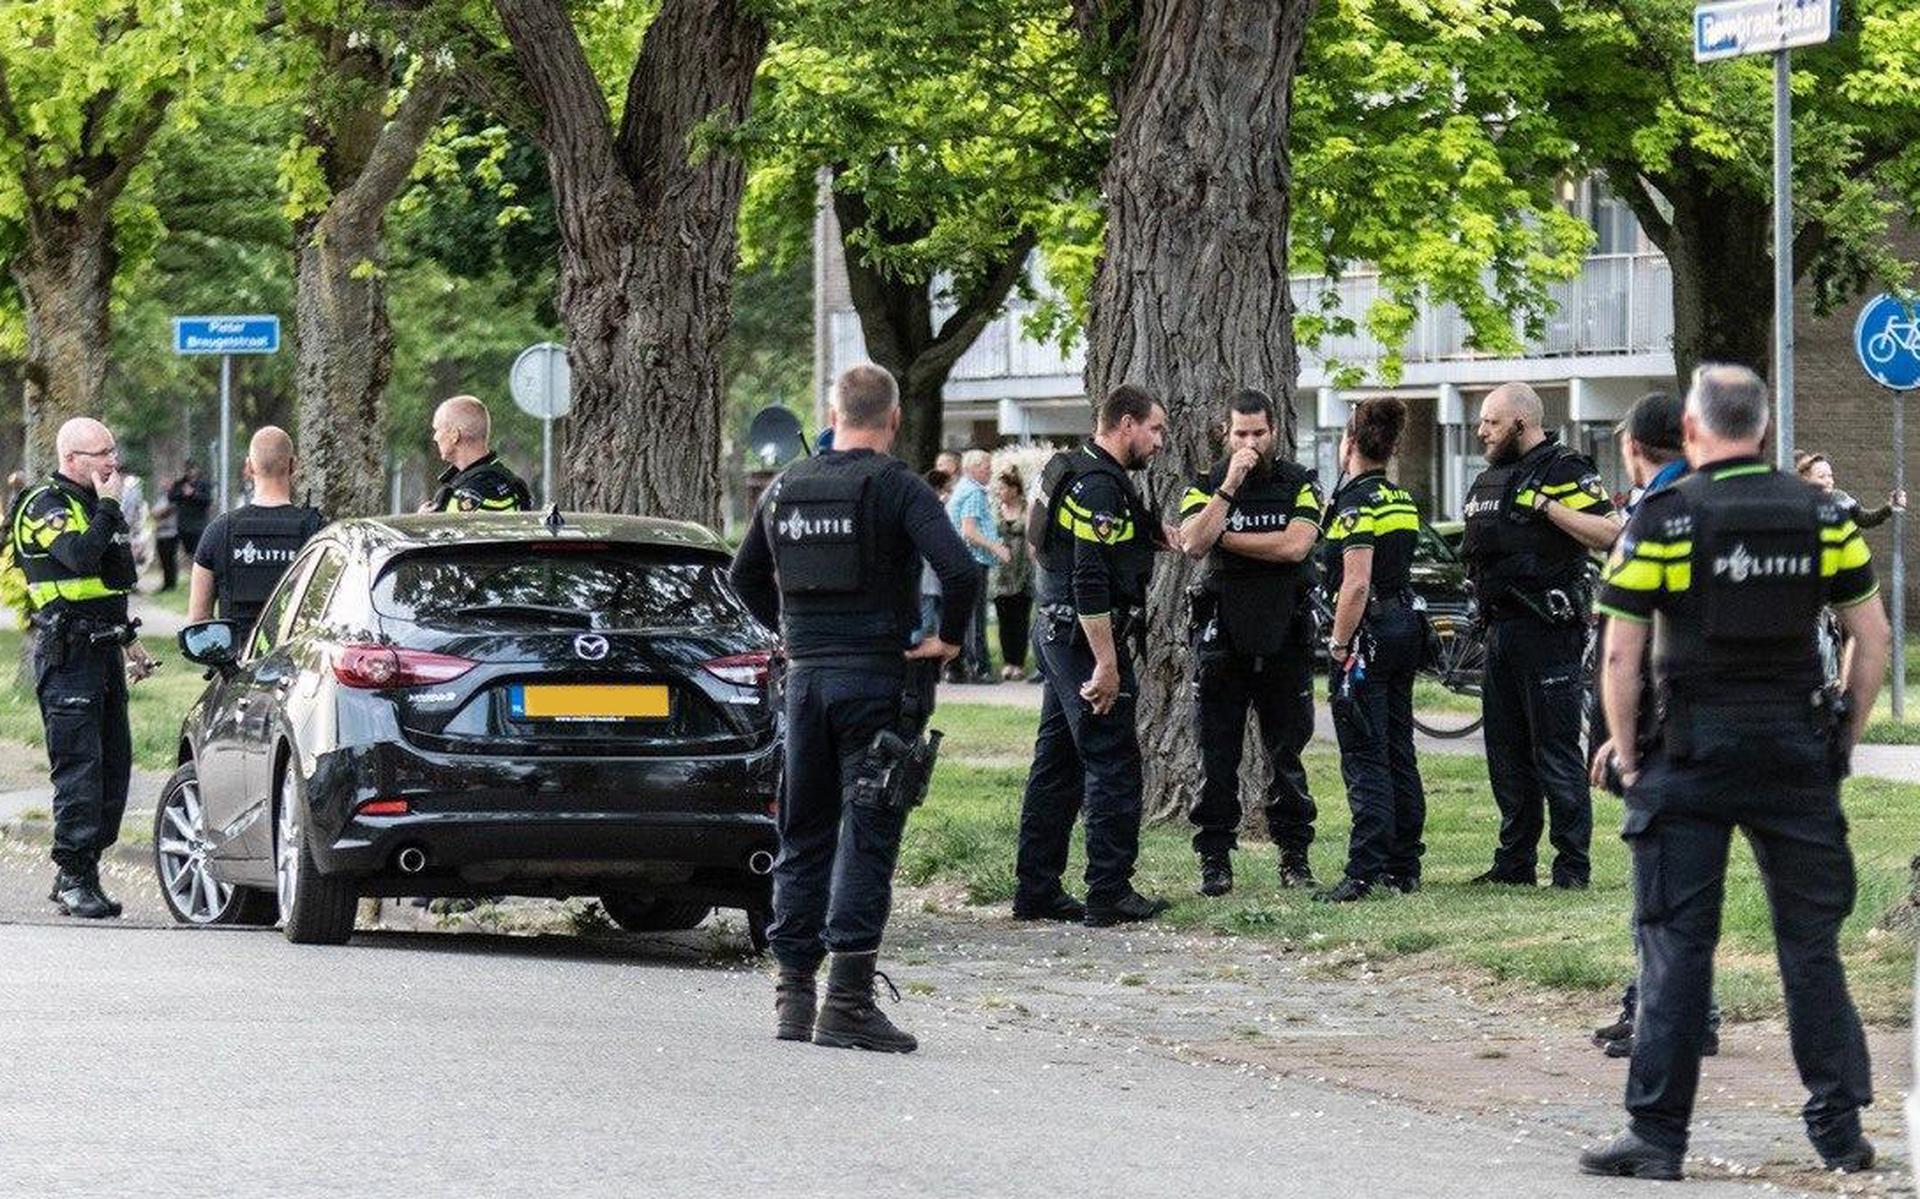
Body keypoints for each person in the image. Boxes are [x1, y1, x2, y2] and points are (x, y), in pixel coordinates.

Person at [1579, 364, 1888, 1181]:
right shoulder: (1823, 514)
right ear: (1762, 427)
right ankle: (1840, 1130)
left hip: (1689, 752)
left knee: (1678, 944)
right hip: (1794, 753)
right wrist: (1841, 741)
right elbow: (1873, 636)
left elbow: (1621, 647)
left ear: (1690, 431)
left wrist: (1628, 748)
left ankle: (1656, 1137)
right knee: (1809, 944)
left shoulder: (1667, 518)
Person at [730, 364, 978, 1054]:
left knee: (803, 835)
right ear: (893, 419)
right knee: (867, 835)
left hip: (804, 683)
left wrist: (788, 636)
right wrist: (947, 640)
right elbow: (958, 569)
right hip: (875, 681)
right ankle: (848, 999)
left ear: (832, 413)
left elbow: (742, 575)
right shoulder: (895, 485)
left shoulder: (788, 485)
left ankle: (793, 995)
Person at [1587, 393, 1720, 1061]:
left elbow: (1637, 639)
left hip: (1665, 720)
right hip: (1687, 713)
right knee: (1669, 876)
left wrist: (1626, 732)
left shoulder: (1662, 512)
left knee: (1665, 876)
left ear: (1635, 448)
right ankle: (1656, 999)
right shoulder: (1697, 500)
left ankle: (1678, 1013)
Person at [1014, 384, 1176, 928]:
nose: (1159, 442)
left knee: (1056, 763)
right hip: (1083, 636)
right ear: (1125, 424)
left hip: (1053, 627)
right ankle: (1109, 891)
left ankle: (1035, 889)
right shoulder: (1100, 489)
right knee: (1111, 760)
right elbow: (1089, 579)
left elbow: (1039, 545)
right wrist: (1105, 663)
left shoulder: (1067, 467)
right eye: (1155, 429)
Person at [1459, 382, 1620, 889]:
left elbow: (1612, 533)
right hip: (1500, 630)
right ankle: (1514, 864)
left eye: (1490, 421)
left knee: (1554, 750)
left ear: (1521, 425)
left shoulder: (1565, 470)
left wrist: (1549, 508)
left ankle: (1571, 867)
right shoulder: (1491, 478)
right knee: (1506, 754)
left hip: (1548, 630)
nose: (1481, 430)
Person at [1177, 389, 1323, 896]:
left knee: (1287, 753)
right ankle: (1215, 860)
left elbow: (1296, 545)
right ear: (1226, 432)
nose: (1251, 443)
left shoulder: (1299, 482)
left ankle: (1294, 858)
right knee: (1217, 755)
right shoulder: (1205, 483)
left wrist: (1227, 539)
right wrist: (1231, 485)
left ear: (1274, 431)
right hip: (1223, 637)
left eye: (1259, 433)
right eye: (1241, 433)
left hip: (1285, 634)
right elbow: (1193, 541)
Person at [11, 418, 159, 919]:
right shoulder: (44, 505)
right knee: (80, 771)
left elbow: (109, 585)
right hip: (68, 655)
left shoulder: (94, 505)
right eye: (101, 454)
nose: (112, 463)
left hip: (103, 652)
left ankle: (81, 867)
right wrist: (111, 507)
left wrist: (131, 643)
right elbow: (78, 557)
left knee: (114, 769)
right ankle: (75, 876)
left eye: (114, 451)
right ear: (72, 459)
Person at [1312, 398, 1428, 903]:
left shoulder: (1356, 504)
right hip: (1404, 626)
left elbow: (1355, 584)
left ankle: (1364, 867)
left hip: (1368, 635)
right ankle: (1404, 864)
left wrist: (1338, 644)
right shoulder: (1399, 500)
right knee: (1399, 748)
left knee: (1364, 752)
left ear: (1351, 444)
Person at [187, 427, 327, 629]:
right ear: (293, 465)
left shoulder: (218, 532)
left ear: (248, 467)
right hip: (299, 658)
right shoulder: (318, 533)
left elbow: (198, 619)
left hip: (237, 658)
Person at [948, 449, 1006, 683]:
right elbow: (969, 531)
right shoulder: (973, 493)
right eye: (986, 466)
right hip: (974, 561)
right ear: (972, 469)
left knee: (962, 615)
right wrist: (996, 547)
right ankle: (978, 667)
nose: (990, 470)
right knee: (975, 617)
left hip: (960, 561)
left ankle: (956, 668)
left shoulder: (962, 489)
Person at [423, 395, 533, 513]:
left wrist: (423, 525)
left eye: (437, 430)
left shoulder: (466, 495)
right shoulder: (512, 485)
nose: (435, 437)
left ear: (454, 435)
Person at [991, 467, 1034, 682]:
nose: (1000, 492)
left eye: (1004, 488)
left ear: (1015, 490)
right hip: (1000, 574)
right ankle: (1008, 662)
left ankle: (1018, 663)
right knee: (1004, 618)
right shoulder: (994, 510)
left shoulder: (1027, 509)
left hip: (1022, 571)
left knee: (1020, 618)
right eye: (998, 488)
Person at [1794, 451, 1906, 528]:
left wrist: (1889, 507)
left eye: (1830, 475)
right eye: (1822, 476)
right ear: (1805, 480)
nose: (1829, 481)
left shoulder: (1840, 498)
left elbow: (1865, 519)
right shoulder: (1796, 504)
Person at [168, 462, 212, 561]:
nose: (190, 472)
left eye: (192, 469)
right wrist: (182, 493)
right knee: (188, 553)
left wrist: (193, 494)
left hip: (198, 524)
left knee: (198, 552)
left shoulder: (203, 484)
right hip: (183, 524)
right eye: (188, 469)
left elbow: (207, 500)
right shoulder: (179, 483)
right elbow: (171, 497)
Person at [150, 480, 180, 592]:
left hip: (170, 533)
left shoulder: (174, 499)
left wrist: (158, 513)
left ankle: (171, 584)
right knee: (163, 560)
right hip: (160, 533)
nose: (163, 485)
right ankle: (166, 584)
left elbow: (164, 512)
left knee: (169, 560)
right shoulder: (161, 498)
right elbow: (153, 512)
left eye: (167, 484)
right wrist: (156, 513)